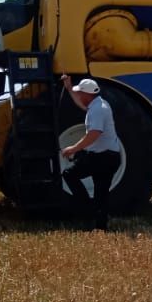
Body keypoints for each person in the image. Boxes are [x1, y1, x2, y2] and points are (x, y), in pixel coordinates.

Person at [59, 76, 121, 231]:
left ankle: (87, 210)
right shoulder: (98, 105)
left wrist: (73, 149)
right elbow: (82, 105)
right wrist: (69, 88)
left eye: (80, 93)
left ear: (87, 95)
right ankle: (100, 227)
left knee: (69, 174)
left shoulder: (98, 110)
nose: (78, 95)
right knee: (101, 193)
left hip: (102, 157)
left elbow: (94, 133)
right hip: (110, 156)